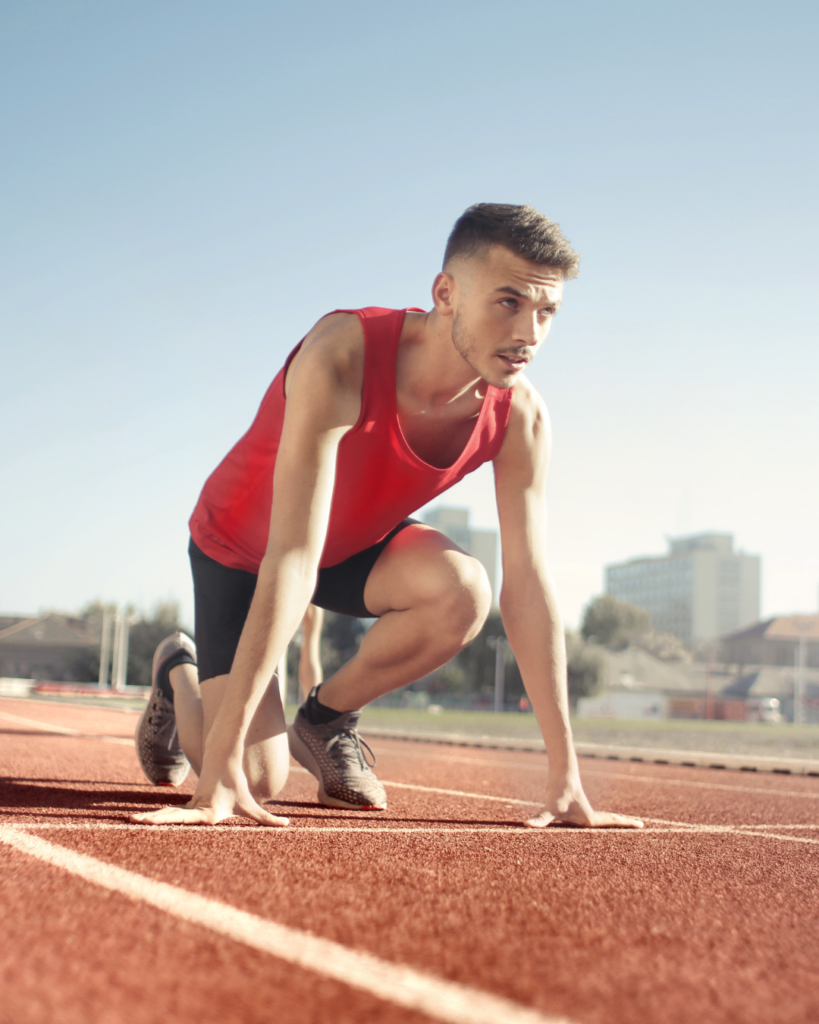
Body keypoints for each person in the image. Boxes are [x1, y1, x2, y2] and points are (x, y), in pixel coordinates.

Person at [131, 203, 643, 831]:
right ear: (446, 293)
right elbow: (291, 553)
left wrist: (566, 778)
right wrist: (220, 770)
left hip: (350, 550)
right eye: (509, 302)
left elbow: (529, 587)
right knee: (255, 775)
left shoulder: (521, 418)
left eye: (548, 311)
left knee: (463, 590)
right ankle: (177, 673)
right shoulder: (342, 354)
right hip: (243, 549)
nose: (530, 334)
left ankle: (324, 720)